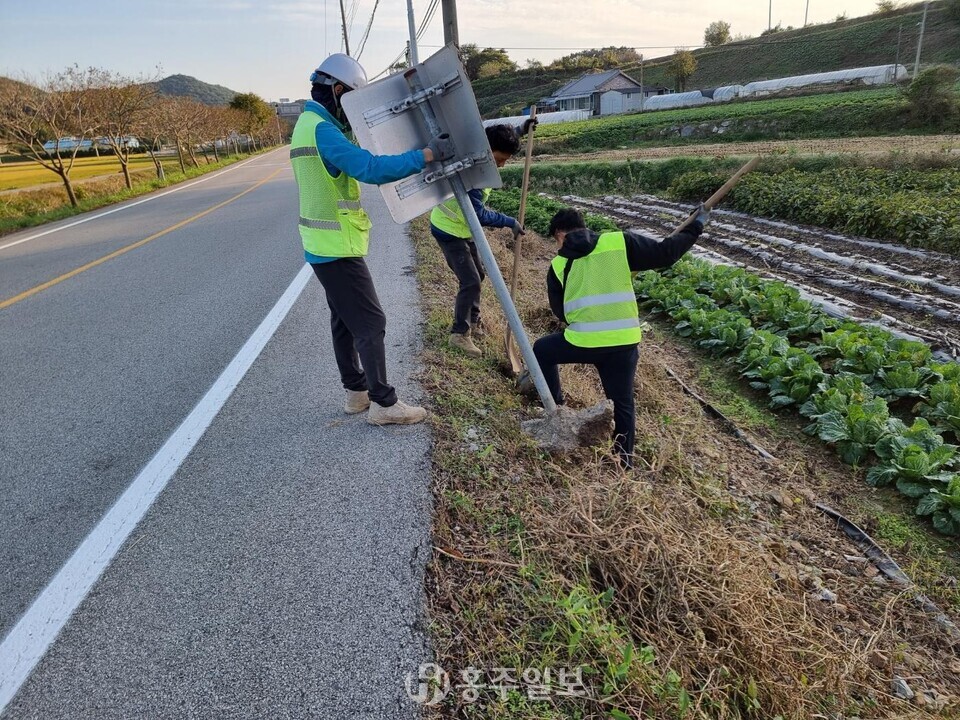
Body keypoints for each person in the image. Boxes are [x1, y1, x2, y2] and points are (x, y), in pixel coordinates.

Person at [290, 54, 454, 425]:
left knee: (344, 320)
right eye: (351, 99)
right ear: (337, 90)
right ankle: (384, 403)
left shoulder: (305, 124)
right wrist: (426, 154)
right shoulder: (323, 130)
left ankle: (356, 394)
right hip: (337, 246)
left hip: (321, 243)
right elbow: (370, 169)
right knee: (370, 322)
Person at [533, 206, 711, 468]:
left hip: (582, 342)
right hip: (623, 344)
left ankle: (556, 407)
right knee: (623, 402)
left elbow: (560, 313)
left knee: (542, 350)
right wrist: (696, 225)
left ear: (559, 234)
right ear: (583, 225)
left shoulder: (559, 264)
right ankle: (623, 461)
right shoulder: (619, 242)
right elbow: (667, 253)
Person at [428, 120, 537, 358]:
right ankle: (459, 334)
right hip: (449, 230)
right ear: (489, 152)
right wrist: (509, 222)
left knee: (479, 274)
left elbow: (495, 138)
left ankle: (474, 321)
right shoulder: (473, 176)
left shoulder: (481, 153)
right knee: (470, 281)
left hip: (464, 229)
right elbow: (478, 215)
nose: (502, 164)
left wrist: (521, 129)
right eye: (500, 159)